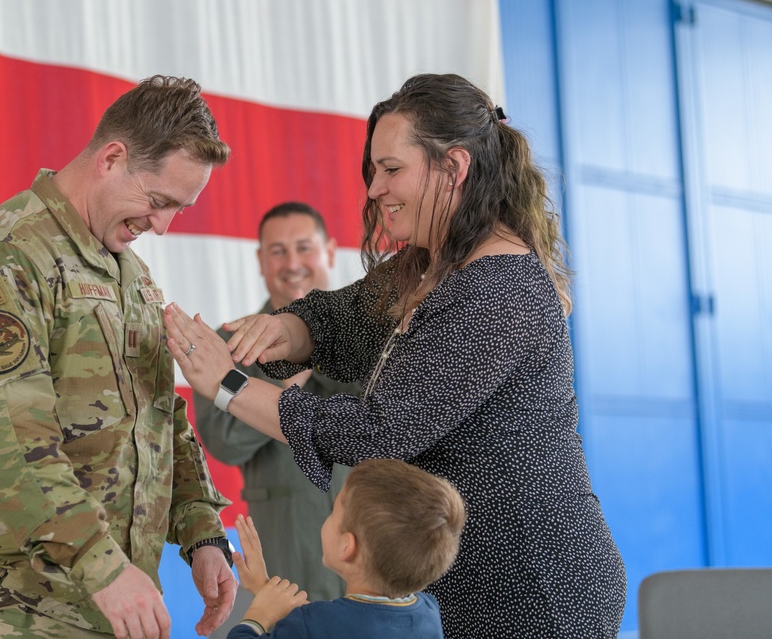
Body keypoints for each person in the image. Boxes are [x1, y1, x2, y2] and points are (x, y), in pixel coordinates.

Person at [164, 73, 627, 638]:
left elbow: (379, 431)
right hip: (454, 581)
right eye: (373, 172)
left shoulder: (497, 288)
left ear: (454, 167)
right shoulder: (432, 266)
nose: (375, 189)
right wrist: (283, 328)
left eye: (391, 170)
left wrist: (228, 384)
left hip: (532, 586)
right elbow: (343, 317)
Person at [0, 75, 237, 639]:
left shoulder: (129, 271)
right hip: (18, 603)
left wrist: (202, 530)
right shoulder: (3, 255)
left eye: (178, 210)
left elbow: (158, 414)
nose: (161, 226)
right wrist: (102, 565)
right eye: (158, 201)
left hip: (115, 602)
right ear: (112, 158)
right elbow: (3, 441)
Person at [193, 202, 360, 609]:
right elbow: (224, 442)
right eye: (278, 251)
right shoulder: (229, 345)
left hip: (375, 554)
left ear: (330, 253)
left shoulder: (367, 338)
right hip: (286, 555)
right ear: (261, 261)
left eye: (304, 248)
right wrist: (288, 384)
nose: (292, 264)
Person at [227, 458, 465, 638]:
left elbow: (320, 626)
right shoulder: (428, 612)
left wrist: (258, 616)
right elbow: (344, 624)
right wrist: (263, 587)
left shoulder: (310, 624)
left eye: (334, 510)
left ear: (346, 547)